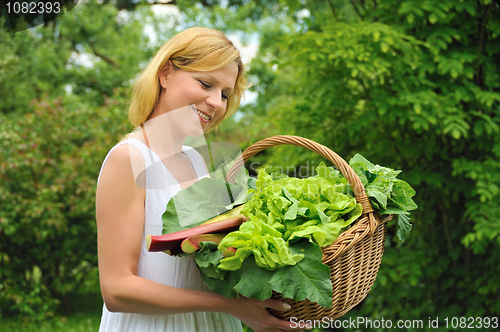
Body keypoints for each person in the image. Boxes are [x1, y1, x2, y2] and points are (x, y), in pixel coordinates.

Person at [95, 27, 300, 332]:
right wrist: (234, 308)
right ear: (165, 73)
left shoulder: (195, 161)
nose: (216, 102)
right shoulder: (129, 159)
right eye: (206, 83)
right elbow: (117, 290)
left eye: (225, 94)